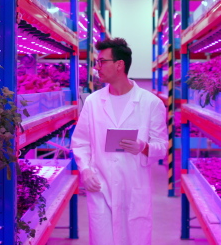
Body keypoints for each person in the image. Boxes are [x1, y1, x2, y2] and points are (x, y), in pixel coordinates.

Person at [71, 38, 168, 245]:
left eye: (101, 62)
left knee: (135, 236)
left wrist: (144, 147)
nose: (97, 67)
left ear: (119, 65)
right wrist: (86, 170)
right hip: (101, 184)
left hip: (134, 186)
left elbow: (162, 146)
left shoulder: (151, 103)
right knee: (102, 237)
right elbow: (80, 142)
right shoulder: (93, 101)